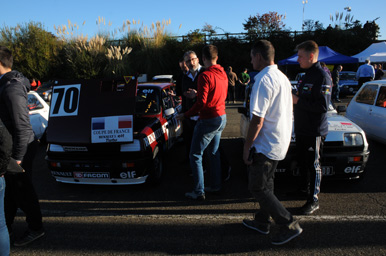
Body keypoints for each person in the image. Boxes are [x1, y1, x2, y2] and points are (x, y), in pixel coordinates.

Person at [241, 40, 302, 245]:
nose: (251, 60)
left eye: (252, 56)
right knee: (267, 184)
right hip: (279, 140)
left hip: (266, 144)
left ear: (258, 56)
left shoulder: (263, 80)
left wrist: (247, 145)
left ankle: (288, 223)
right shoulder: (282, 77)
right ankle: (262, 221)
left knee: (258, 188)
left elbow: (257, 119)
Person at [0, 45, 44, 246]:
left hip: (20, 147)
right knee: (11, 191)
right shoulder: (6, 84)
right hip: (11, 146)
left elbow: (23, 127)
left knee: (23, 191)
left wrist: (18, 158)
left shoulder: (12, 88)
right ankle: (5, 228)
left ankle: (36, 228)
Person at [177, 45, 228, 200]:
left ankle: (199, 191)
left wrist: (185, 115)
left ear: (202, 59)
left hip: (208, 118)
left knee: (195, 155)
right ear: (216, 57)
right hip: (221, 116)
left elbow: (201, 103)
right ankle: (216, 185)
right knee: (213, 152)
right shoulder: (223, 73)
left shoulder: (204, 76)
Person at [293, 40, 332, 215]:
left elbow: (323, 106)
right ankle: (303, 189)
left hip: (314, 130)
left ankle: (313, 199)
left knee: (313, 164)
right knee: (302, 161)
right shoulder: (306, 74)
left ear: (311, 56)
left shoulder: (322, 76)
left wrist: (297, 100)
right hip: (301, 128)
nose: (297, 60)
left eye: (300, 56)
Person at [180, 51, 204, 164]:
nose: (191, 62)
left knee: (207, 146)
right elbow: (184, 95)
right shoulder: (185, 77)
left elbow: (212, 93)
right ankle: (192, 168)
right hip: (189, 116)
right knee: (189, 144)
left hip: (204, 116)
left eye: (193, 59)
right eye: (188, 61)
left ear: (198, 59)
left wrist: (197, 94)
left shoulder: (205, 72)